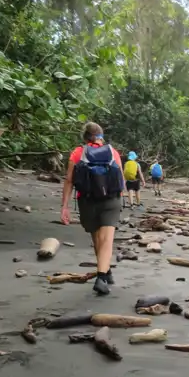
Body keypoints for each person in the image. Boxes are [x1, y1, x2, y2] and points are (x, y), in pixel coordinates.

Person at [61, 122, 124, 296]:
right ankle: (102, 276)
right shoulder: (112, 152)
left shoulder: (77, 153)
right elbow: (120, 179)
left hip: (87, 200)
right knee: (107, 240)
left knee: (97, 239)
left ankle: (104, 272)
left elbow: (69, 180)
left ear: (85, 137)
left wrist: (65, 206)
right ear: (101, 136)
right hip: (110, 200)